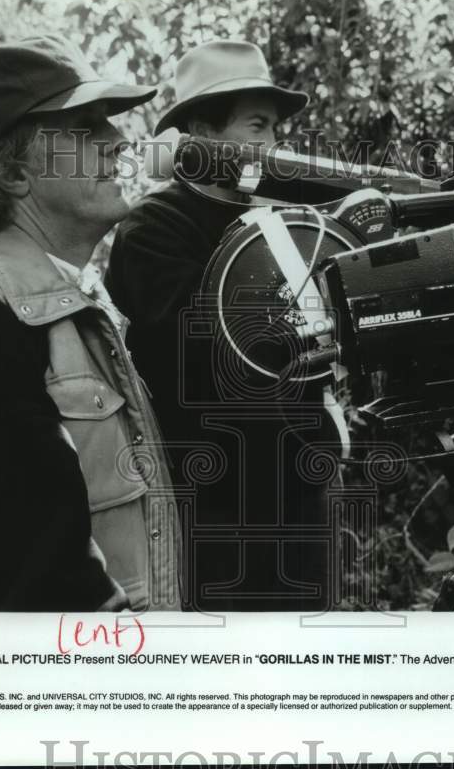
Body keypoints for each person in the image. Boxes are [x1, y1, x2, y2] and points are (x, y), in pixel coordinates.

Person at [0, 35, 181, 612]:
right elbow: (36, 590)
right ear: (15, 173)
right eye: (85, 129)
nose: (119, 143)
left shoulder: (65, 305)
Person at [106, 41, 337, 612]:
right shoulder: (153, 230)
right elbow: (213, 346)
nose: (273, 147)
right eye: (257, 126)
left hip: (299, 503)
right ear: (199, 134)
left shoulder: (282, 222)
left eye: (276, 130)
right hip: (211, 511)